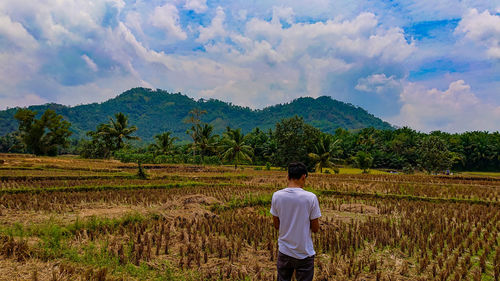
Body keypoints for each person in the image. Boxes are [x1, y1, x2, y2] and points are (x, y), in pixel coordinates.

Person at [270, 162, 321, 281]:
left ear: (287, 177)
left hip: (284, 251)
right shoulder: (310, 198)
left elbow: (276, 225)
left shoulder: (277, 196)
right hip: (304, 253)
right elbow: (315, 228)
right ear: (304, 177)